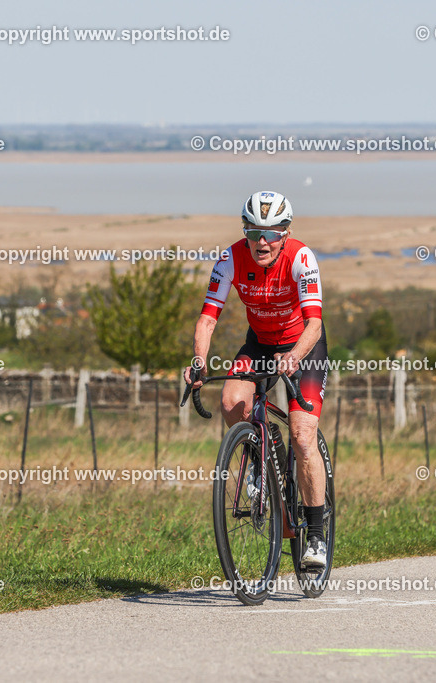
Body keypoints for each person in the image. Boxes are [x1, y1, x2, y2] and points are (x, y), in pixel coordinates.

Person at [183, 190, 329, 568]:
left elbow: (314, 322)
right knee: (231, 402)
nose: (261, 241)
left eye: (270, 233)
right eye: (253, 232)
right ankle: (260, 461)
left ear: (285, 233)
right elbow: (207, 318)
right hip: (260, 343)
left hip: (304, 346)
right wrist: (199, 360)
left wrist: (294, 356)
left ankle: (314, 535)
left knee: (302, 435)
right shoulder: (231, 258)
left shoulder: (301, 257)